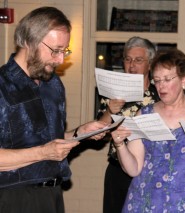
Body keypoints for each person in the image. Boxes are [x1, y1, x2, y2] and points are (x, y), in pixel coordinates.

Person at [0, 7, 107, 213]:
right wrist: (43, 153)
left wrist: (80, 134)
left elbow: (50, 142)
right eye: (55, 50)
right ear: (28, 42)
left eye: (64, 51)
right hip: (12, 198)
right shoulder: (3, 86)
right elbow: (44, 150)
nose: (60, 60)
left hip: (53, 194)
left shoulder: (53, 85)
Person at [110, 49, 185, 212]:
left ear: (184, 80)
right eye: (157, 80)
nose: (161, 86)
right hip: (147, 202)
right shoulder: (144, 113)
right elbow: (134, 169)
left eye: (167, 79)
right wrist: (120, 145)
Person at [96, 36, 160, 213]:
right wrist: (110, 111)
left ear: (150, 63)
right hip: (118, 169)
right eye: (128, 59)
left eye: (138, 60)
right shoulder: (112, 92)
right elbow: (98, 132)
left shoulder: (161, 92)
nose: (132, 65)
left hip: (152, 170)